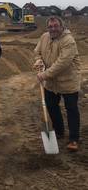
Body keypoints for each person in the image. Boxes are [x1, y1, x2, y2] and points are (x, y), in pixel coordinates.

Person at [34, 16, 81, 151]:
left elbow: (62, 63)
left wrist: (44, 75)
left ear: (62, 27)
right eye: (50, 27)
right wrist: (38, 61)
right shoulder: (44, 37)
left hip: (68, 81)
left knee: (71, 109)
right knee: (51, 106)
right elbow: (37, 51)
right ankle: (59, 131)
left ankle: (74, 139)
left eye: (55, 26)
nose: (53, 29)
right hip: (51, 82)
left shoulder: (68, 41)